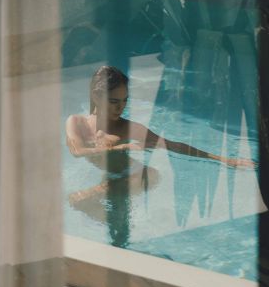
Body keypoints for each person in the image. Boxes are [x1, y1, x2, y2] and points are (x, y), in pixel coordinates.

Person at [65, 66, 255, 227]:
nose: (120, 108)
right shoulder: (76, 122)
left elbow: (173, 146)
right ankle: (123, 228)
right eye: (114, 101)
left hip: (139, 176)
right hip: (114, 180)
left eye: (124, 101)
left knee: (79, 199)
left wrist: (225, 159)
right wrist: (119, 148)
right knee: (98, 212)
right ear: (96, 96)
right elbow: (77, 151)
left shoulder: (128, 128)